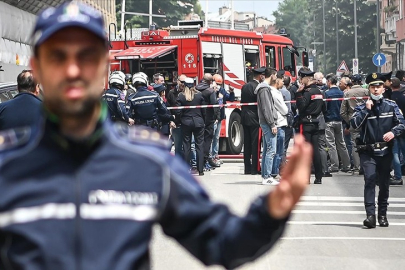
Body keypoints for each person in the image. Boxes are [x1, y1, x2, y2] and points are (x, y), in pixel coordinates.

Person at [0, 3, 313, 268]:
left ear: (105, 66)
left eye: (86, 56)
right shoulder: (7, 168)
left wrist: (272, 210)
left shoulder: (148, 163)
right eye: (58, 56)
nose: (72, 69)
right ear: (36, 68)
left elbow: (223, 242)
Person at [351, 72, 405, 228]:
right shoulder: (361, 107)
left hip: (386, 151)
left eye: (379, 86)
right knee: (369, 179)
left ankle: (382, 214)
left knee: (384, 183)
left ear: (383, 88)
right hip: (368, 151)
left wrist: (393, 132)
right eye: (373, 87)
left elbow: (401, 123)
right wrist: (366, 111)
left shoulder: (391, 105)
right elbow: (354, 125)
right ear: (368, 88)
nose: (376, 89)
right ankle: (370, 216)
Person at [295, 68, 326, 184]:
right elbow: (324, 108)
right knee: (316, 151)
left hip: (306, 123)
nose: (299, 80)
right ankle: (318, 177)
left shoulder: (307, 92)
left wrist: (298, 93)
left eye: (300, 78)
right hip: (316, 122)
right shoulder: (319, 92)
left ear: (305, 78)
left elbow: (301, 107)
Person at [176, 77, 205, 175]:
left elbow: (178, 111)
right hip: (198, 122)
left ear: (184, 85)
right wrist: (203, 120)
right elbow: (203, 110)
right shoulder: (199, 95)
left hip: (186, 122)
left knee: (186, 146)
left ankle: (186, 169)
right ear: (193, 84)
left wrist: (179, 120)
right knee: (199, 146)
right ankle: (200, 170)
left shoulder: (181, 96)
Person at [340, 74, 369, 174]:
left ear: (351, 82)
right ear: (361, 81)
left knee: (354, 144)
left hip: (354, 121)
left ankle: (357, 167)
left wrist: (349, 121)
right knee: (367, 143)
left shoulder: (348, 93)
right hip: (366, 120)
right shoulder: (366, 92)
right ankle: (367, 166)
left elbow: (343, 111)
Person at [254, 67, 279, 185]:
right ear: (272, 75)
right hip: (268, 122)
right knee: (271, 150)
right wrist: (272, 124)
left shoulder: (263, 88)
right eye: (276, 75)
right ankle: (267, 176)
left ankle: (265, 175)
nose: (277, 77)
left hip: (266, 122)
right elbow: (266, 108)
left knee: (267, 150)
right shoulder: (264, 89)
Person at [324, 74, 351, 173]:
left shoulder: (326, 93)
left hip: (329, 120)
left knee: (331, 144)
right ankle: (347, 165)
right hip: (339, 121)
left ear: (329, 82)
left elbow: (325, 107)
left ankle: (335, 166)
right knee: (341, 143)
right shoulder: (341, 93)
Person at [241, 67, 264, 175]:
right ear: (260, 76)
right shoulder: (258, 87)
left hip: (245, 117)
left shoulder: (244, 86)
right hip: (255, 118)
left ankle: (247, 168)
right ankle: (255, 168)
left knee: (247, 144)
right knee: (255, 144)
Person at [195, 73, 220, 170]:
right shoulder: (210, 91)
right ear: (210, 81)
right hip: (208, 119)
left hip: (198, 117)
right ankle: (204, 162)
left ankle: (198, 163)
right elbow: (214, 105)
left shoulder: (195, 89)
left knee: (198, 141)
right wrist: (215, 117)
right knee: (207, 140)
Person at [389, 77, 405, 185]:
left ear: (391, 86)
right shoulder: (403, 97)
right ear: (400, 86)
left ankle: (398, 176)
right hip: (403, 127)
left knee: (395, 153)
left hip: (393, 129)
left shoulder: (390, 99)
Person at [167, 74, 187, 157]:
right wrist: (170, 120)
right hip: (176, 124)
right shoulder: (171, 93)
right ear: (178, 81)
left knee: (188, 146)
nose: (183, 84)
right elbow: (168, 108)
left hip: (186, 123)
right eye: (181, 82)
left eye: (184, 82)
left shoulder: (188, 92)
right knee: (178, 146)